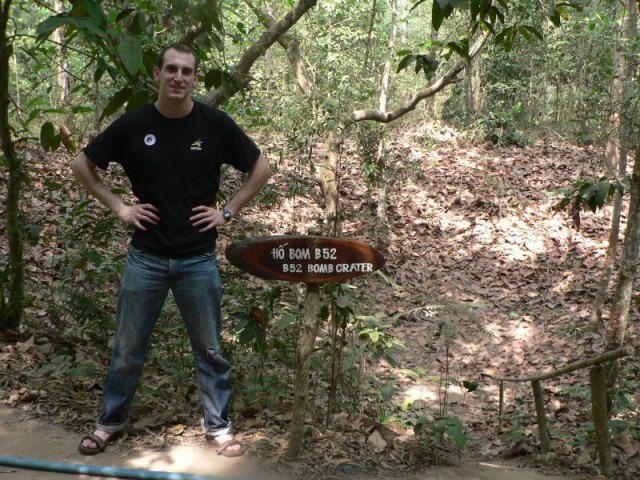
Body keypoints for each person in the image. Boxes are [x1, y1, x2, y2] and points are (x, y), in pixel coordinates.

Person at [72, 43, 270, 457]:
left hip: (198, 259)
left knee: (210, 349)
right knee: (128, 349)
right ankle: (110, 422)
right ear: (158, 74)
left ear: (196, 78)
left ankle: (218, 428)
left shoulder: (214, 124)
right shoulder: (133, 124)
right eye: (172, 69)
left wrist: (227, 212)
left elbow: (261, 167)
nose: (179, 77)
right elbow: (82, 165)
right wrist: (120, 207)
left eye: (187, 71)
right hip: (146, 257)